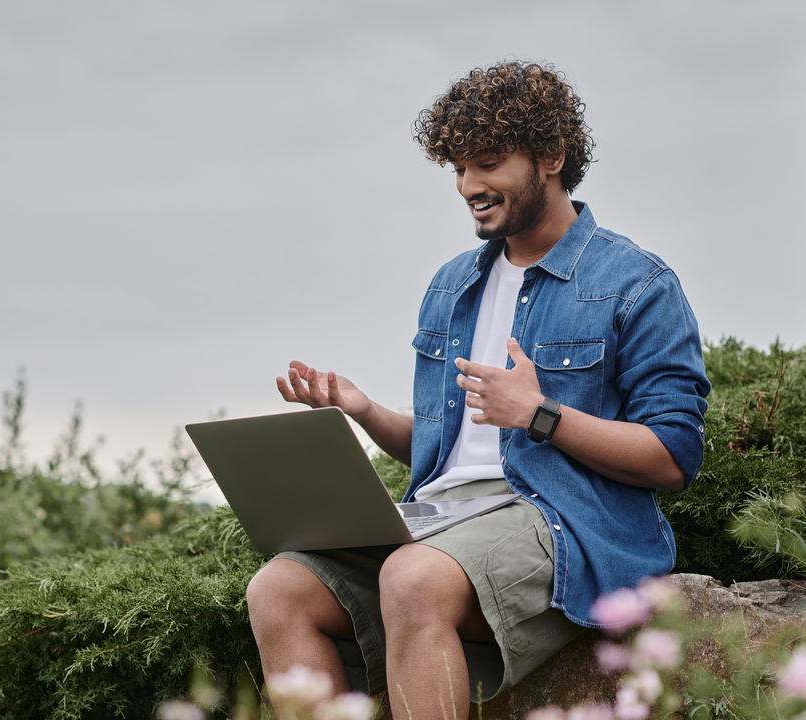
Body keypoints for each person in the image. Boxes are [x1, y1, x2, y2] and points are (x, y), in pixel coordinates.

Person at [245, 61, 709, 719]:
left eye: (488, 164)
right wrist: (364, 412)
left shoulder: (635, 283)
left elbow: (673, 457)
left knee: (412, 577)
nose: (469, 186)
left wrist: (541, 415)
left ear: (551, 157)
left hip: (563, 522)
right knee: (279, 589)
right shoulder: (452, 285)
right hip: (443, 517)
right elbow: (446, 450)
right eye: (459, 169)